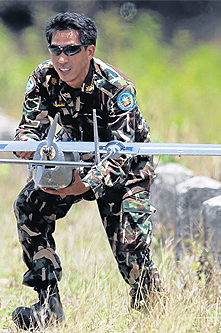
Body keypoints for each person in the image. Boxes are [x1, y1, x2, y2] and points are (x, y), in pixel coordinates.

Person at [12, 12, 160, 330]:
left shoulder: (116, 87)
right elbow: (30, 125)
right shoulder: (43, 77)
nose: (62, 59)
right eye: (55, 50)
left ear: (89, 51)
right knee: (29, 208)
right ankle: (47, 306)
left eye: (71, 50)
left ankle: (153, 318)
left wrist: (83, 185)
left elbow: (122, 152)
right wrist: (28, 146)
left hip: (125, 169)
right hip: (73, 157)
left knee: (130, 245)